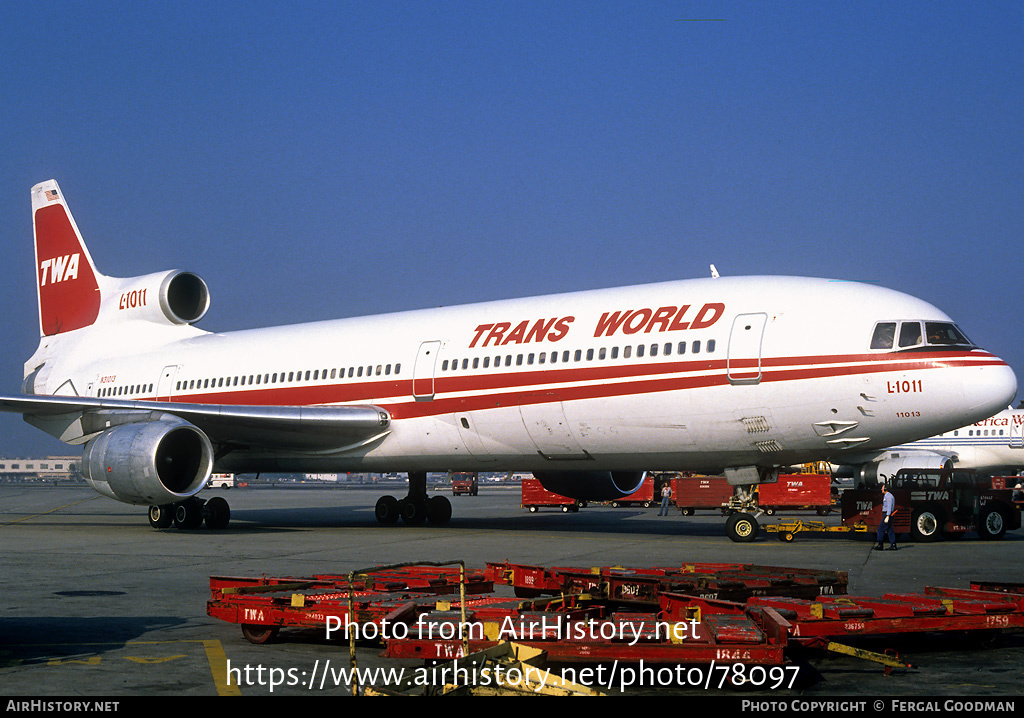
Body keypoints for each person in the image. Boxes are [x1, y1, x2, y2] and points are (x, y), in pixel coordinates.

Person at [874, 483, 897, 551]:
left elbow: (889, 506)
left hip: (887, 514)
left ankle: (880, 545)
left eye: (883, 488)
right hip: (888, 514)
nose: (881, 489)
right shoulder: (887, 496)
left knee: (880, 529)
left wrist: (887, 516)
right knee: (890, 530)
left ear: (886, 489)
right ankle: (893, 545)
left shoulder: (888, 496)